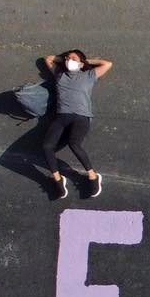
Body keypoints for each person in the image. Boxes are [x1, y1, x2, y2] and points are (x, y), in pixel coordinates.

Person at [40, 47, 112, 200]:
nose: (69, 60)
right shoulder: (60, 75)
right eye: (67, 58)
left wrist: (85, 62)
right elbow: (48, 58)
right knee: (47, 146)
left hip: (81, 116)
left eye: (73, 58)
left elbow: (107, 64)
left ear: (80, 63)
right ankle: (58, 180)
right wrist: (64, 60)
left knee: (74, 144)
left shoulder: (89, 75)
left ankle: (93, 176)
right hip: (62, 117)